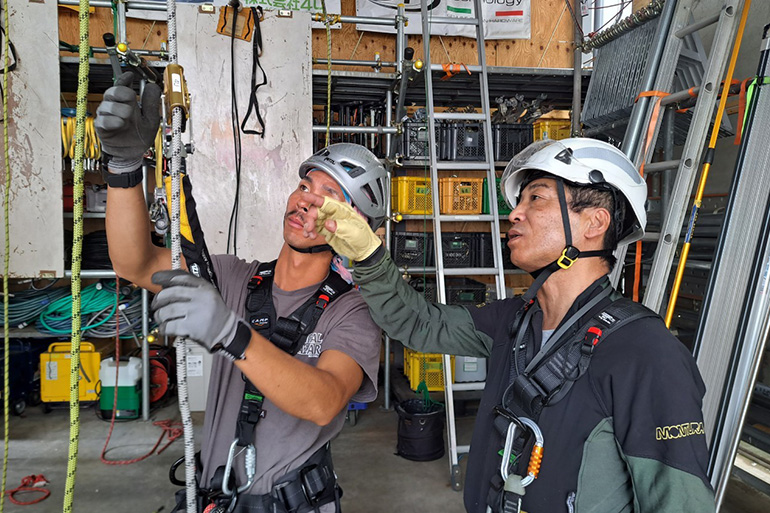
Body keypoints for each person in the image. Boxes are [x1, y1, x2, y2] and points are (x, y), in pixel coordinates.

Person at [299, 138, 715, 513]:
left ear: (595, 223)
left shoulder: (645, 352)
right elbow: (417, 323)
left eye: (536, 198)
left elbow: (680, 503)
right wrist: (369, 255)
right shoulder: (516, 320)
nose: (514, 213)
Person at [95, 73, 384, 513]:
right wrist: (123, 168)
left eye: (329, 197)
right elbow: (134, 263)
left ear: (355, 226)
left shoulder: (353, 311)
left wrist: (232, 333)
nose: (307, 200)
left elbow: (323, 402)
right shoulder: (234, 279)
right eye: (305, 186)